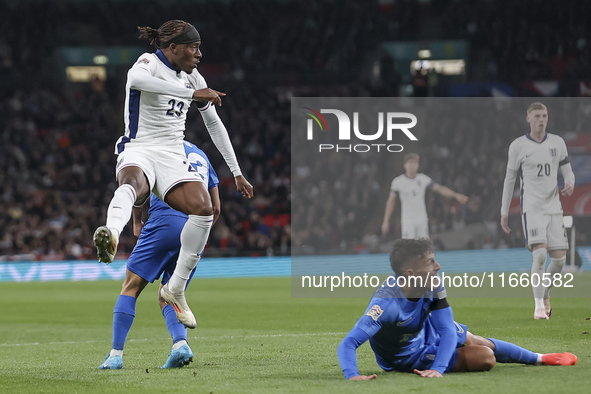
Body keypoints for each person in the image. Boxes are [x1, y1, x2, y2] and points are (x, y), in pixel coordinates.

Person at [93, 20, 253, 329]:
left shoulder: (193, 77)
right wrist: (189, 94)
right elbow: (136, 80)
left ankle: (175, 289)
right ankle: (111, 233)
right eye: (193, 47)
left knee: (204, 209)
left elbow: (214, 125)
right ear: (173, 48)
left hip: (171, 154)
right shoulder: (149, 62)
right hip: (139, 146)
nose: (199, 53)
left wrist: (237, 172)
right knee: (133, 185)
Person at [337, 238, 577, 380]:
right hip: (407, 355)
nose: (438, 267)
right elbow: (348, 343)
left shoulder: (433, 284)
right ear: (409, 273)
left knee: (474, 339)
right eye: (430, 263)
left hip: (424, 328)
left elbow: (447, 329)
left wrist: (439, 369)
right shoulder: (386, 305)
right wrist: (352, 374)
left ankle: (539, 358)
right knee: (485, 358)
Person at [100, 141, 219, 370]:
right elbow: (215, 209)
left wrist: (136, 220)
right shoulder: (202, 156)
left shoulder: (157, 145)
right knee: (170, 293)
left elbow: (139, 189)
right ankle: (180, 344)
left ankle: (115, 355)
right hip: (195, 230)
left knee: (131, 287)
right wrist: (199, 237)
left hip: (164, 221)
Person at [500, 102, 575, 320]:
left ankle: (545, 293)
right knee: (540, 255)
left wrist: (570, 183)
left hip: (554, 207)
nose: (541, 120)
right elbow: (509, 179)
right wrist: (504, 210)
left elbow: (568, 172)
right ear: (528, 118)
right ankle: (538, 306)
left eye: (544, 116)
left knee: (560, 261)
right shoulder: (518, 146)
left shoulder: (558, 143)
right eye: (537, 116)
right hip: (532, 208)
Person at [381, 153, 468, 239]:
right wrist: (386, 221)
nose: (412, 165)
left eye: (415, 163)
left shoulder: (423, 179)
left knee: (423, 248)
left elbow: (439, 188)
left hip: (421, 220)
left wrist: (455, 195)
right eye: (410, 163)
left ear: (418, 165)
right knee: (409, 248)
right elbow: (391, 201)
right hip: (407, 221)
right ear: (405, 165)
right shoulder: (398, 182)